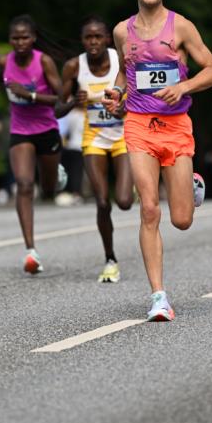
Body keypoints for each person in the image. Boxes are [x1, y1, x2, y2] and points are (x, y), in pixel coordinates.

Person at [104, 0, 212, 320]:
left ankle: (191, 181)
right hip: (139, 124)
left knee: (182, 219)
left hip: (176, 127)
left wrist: (183, 86)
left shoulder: (181, 27)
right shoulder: (122, 31)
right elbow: (128, 74)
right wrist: (116, 95)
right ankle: (159, 296)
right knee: (150, 208)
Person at [0, 15, 65, 274]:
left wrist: (30, 95)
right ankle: (31, 251)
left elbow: (60, 98)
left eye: (25, 37)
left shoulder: (43, 61)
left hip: (47, 129)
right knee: (24, 185)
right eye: (15, 38)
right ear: (10, 40)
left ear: (33, 38)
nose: (20, 42)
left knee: (48, 191)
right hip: (20, 130)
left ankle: (56, 173)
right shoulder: (5, 61)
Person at [60, 16, 133, 282]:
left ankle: (131, 187)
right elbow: (57, 109)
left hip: (123, 136)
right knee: (102, 201)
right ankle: (110, 259)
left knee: (124, 202)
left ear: (107, 39)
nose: (93, 42)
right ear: (82, 41)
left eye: (98, 37)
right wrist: (71, 102)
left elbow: (138, 94)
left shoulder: (120, 60)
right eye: (88, 37)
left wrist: (123, 106)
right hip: (93, 139)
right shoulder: (73, 67)